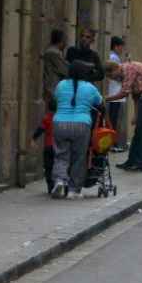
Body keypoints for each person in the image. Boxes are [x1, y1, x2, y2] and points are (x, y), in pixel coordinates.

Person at [51, 60, 103, 198]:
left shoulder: (61, 85)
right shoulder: (90, 88)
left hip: (60, 123)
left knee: (61, 155)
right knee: (79, 158)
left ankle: (60, 180)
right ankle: (74, 190)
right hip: (81, 124)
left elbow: (54, 100)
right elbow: (100, 103)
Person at [107, 58, 142, 172]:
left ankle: (141, 163)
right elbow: (135, 95)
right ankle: (132, 161)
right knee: (139, 131)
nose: (113, 79)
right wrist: (136, 115)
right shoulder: (125, 71)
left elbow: (124, 93)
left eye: (112, 76)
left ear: (115, 69)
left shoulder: (128, 68)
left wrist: (106, 98)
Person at [31, 98, 57, 193]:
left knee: (48, 167)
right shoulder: (60, 118)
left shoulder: (47, 118)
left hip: (48, 146)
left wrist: (34, 139)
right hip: (59, 147)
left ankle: (50, 187)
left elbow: (40, 129)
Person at [106, 36, 127, 152]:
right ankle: (113, 144)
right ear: (116, 46)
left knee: (113, 120)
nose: (122, 50)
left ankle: (113, 143)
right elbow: (118, 75)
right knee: (114, 121)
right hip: (115, 94)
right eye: (121, 47)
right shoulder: (114, 58)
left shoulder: (113, 57)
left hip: (114, 93)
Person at [42, 29, 69, 102]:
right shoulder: (53, 53)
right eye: (65, 41)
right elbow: (65, 71)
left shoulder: (54, 52)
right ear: (61, 41)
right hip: (52, 90)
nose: (66, 44)